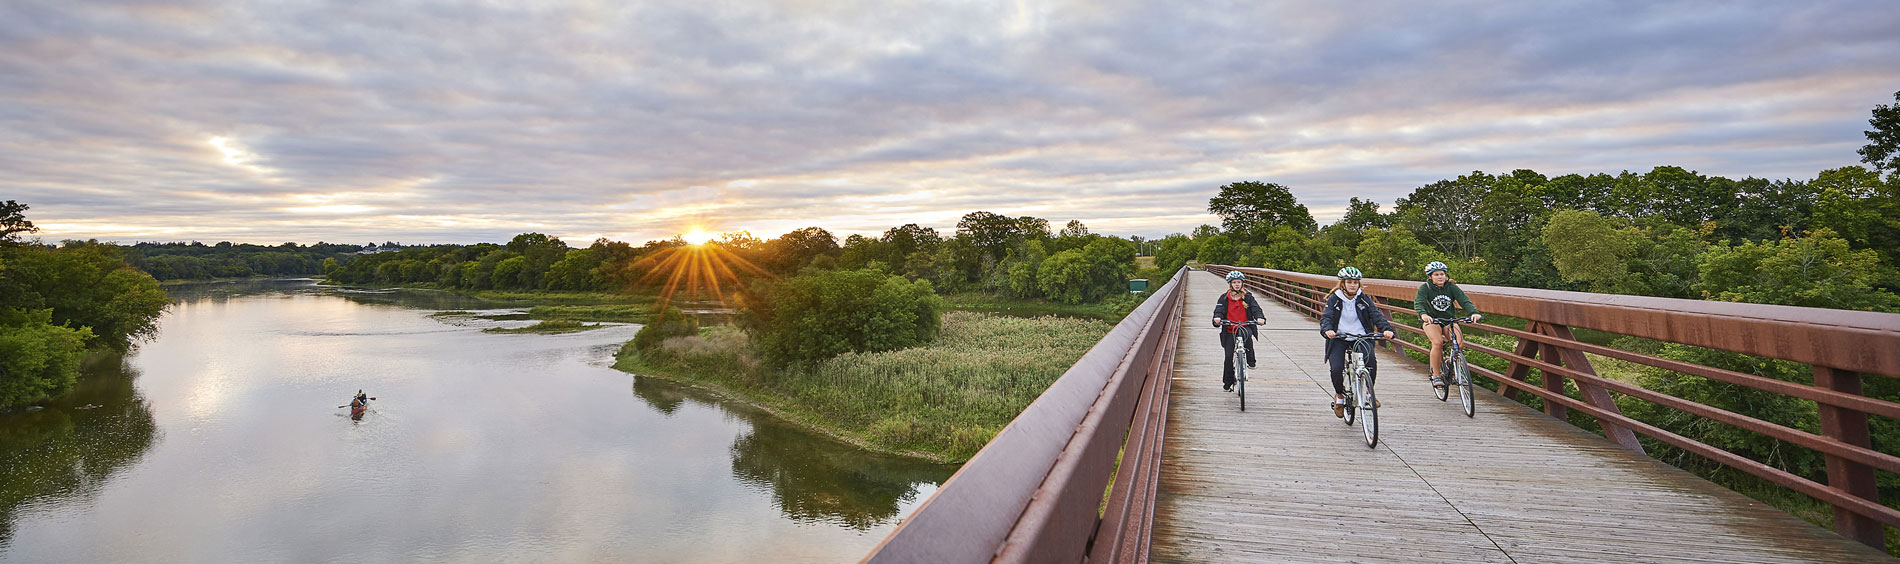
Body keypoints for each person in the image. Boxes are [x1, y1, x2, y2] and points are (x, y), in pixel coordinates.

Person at [1319, 267, 1396, 417]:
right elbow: (1326, 317)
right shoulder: (1334, 298)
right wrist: (1327, 330)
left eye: (1355, 282)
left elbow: (1376, 315)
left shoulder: (1363, 298)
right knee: (1337, 368)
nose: (1353, 285)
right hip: (1339, 337)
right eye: (1349, 282)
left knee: (1371, 361)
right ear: (1343, 284)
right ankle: (1340, 396)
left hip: (1361, 336)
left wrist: (1386, 329)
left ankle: (1368, 392)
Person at [1415, 261, 1482, 389]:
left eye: (1442, 274)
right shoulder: (1425, 288)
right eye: (1436, 274)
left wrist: (1474, 312)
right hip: (1432, 321)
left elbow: (1464, 300)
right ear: (1430, 277)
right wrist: (1423, 314)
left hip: (1449, 319)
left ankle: (1455, 368)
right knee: (1438, 343)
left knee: (1459, 343)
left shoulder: (1451, 287)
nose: (1440, 277)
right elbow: (1419, 302)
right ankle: (1436, 375)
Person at [1211, 270, 1266, 392]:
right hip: (1230, 328)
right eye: (1234, 282)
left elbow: (1256, 309)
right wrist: (1217, 318)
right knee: (1228, 356)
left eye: (1239, 282)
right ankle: (1228, 382)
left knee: (1248, 341)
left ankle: (1251, 361)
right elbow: (1218, 310)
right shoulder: (1224, 298)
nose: (1237, 284)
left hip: (1244, 325)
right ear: (1230, 284)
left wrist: (1260, 318)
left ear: (1242, 283)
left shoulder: (1248, 297)